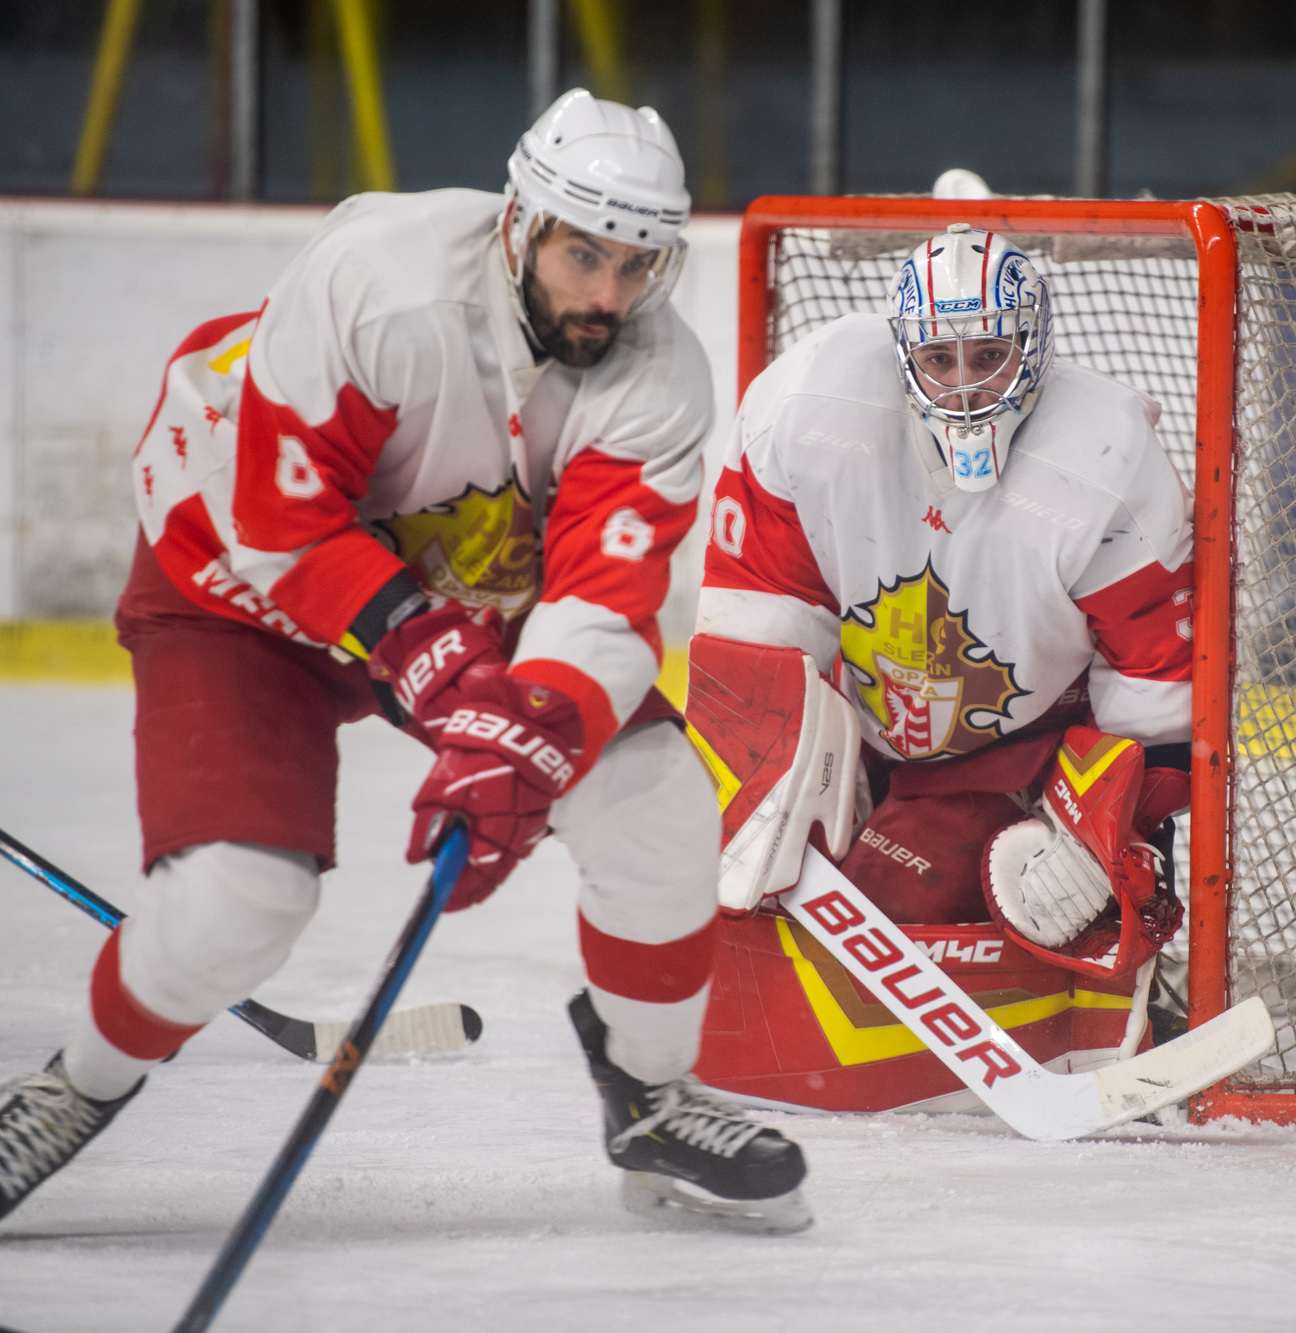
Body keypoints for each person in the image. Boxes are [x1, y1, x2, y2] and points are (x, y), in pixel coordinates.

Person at [0, 90, 808, 1234]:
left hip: (456, 599)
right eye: (585, 255)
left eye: (639, 266)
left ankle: (651, 1090)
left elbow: (603, 601)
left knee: (658, 805)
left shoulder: (656, 374)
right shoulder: (381, 277)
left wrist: (527, 727)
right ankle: (69, 1086)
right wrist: (428, 654)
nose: (608, 296)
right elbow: (279, 524)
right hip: (235, 583)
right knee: (242, 900)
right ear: (520, 223)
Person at [681, 225, 1193, 1113]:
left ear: (1035, 346)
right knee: (717, 866)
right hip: (854, 728)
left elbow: (1157, 701)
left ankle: (1120, 998)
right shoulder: (808, 404)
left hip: (1024, 754)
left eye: (990, 355)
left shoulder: (1108, 462)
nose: (964, 384)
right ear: (900, 350)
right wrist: (754, 779)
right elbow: (754, 618)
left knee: (908, 880)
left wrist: (1101, 835)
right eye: (940, 357)